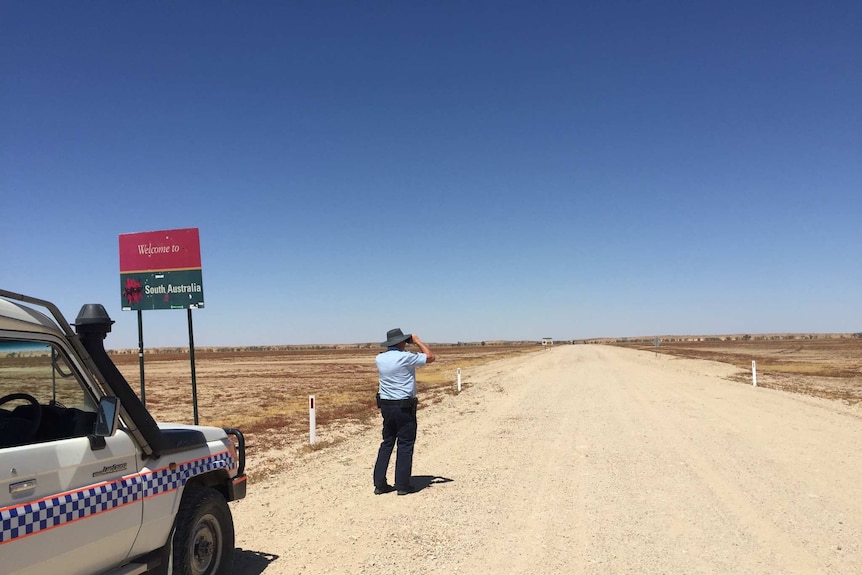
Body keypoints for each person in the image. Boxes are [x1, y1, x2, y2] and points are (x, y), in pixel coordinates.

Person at [373, 328, 436, 495]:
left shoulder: (379, 358)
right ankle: (402, 485)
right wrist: (417, 341)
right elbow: (430, 357)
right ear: (400, 342)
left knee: (387, 443)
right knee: (405, 444)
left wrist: (405, 344)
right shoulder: (405, 357)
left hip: (386, 406)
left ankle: (379, 483)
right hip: (404, 406)